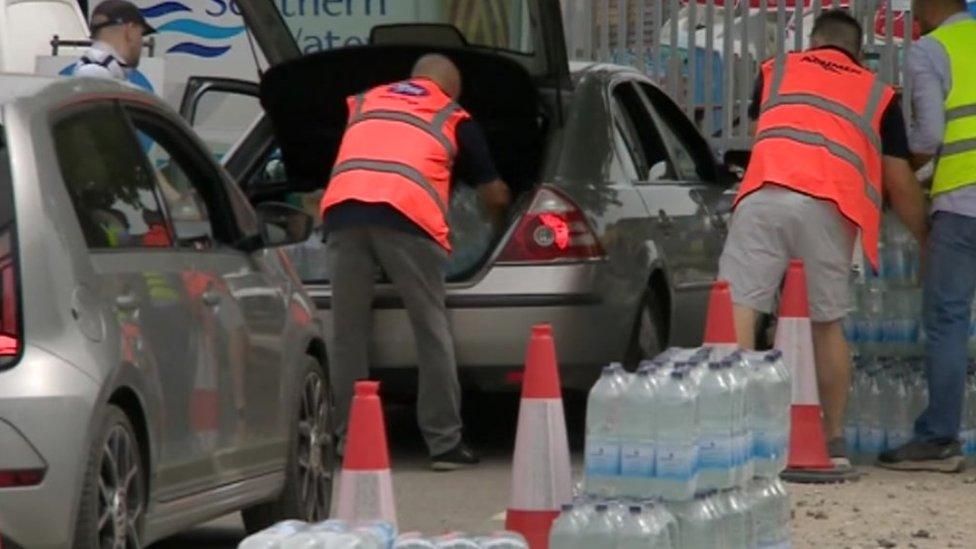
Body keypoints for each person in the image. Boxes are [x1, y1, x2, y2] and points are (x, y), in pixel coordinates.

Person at [718, 10, 928, 470]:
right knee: (826, 321)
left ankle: (734, 427)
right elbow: (898, 179)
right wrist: (926, 237)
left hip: (763, 192)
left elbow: (767, 129)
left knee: (741, 305)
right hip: (829, 206)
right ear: (857, 51)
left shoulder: (776, 72)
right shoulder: (878, 93)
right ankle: (832, 438)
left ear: (813, 43)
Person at [322, 54, 511, 470]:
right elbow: (494, 195)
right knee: (430, 328)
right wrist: (495, 222)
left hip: (343, 211)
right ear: (451, 88)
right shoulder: (452, 114)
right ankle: (443, 443)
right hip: (407, 216)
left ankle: (351, 442)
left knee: (346, 333)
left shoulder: (366, 101)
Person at [878, 0, 976, 473]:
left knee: (948, 319)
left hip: (963, 205)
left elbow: (929, 135)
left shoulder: (930, 50)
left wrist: (903, 165)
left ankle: (939, 438)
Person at [73, 0, 154, 82]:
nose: (141, 42)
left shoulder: (106, 69)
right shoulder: (95, 72)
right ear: (130, 31)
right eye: (140, 34)